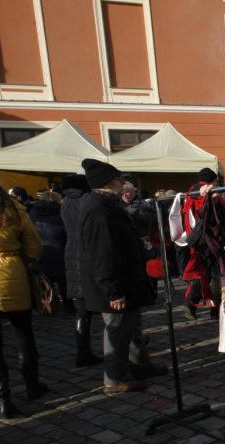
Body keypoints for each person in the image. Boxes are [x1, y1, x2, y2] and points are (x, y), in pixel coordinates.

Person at [79, 158, 162, 394]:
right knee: (117, 330)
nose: (122, 182)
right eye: (118, 179)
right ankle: (114, 379)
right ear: (107, 182)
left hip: (126, 281)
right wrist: (112, 289)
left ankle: (140, 366)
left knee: (131, 327)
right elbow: (102, 253)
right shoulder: (98, 209)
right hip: (114, 286)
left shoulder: (107, 204)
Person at [0, 184, 47, 418]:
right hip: (13, 273)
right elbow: (34, 244)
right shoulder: (13, 208)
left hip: (10, 271)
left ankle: (3, 401)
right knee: (23, 335)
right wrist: (24, 259)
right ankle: (32, 386)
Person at [60, 174, 102, 367]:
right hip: (89, 252)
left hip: (71, 253)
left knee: (82, 311)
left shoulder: (64, 202)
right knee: (110, 303)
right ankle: (127, 343)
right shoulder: (88, 200)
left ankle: (82, 350)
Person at [178, 168, 225, 320]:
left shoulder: (190, 194)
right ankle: (213, 311)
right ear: (212, 181)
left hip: (195, 239)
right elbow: (220, 214)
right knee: (215, 275)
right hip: (208, 239)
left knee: (201, 273)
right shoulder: (205, 192)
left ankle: (193, 306)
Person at [28, 189, 69, 311]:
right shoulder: (62, 212)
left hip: (40, 251)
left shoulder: (31, 213)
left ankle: (47, 307)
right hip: (59, 250)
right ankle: (68, 306)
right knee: (63, 282)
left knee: (44, 281)